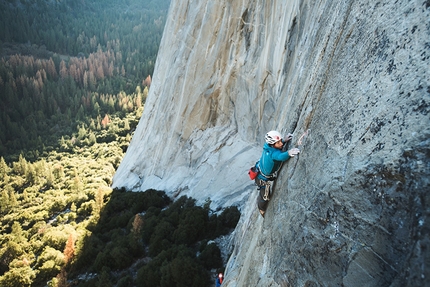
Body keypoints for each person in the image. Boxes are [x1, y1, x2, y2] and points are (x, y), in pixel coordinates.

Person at [255, 130, 300, 217]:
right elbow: (280, 156)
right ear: (273, 145)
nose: (281, 144)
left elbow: (275, 147)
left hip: (259, 169)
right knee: (265, 196)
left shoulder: (267, 146)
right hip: (263, 179)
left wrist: (283, 140)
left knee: (264, 194)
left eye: (280, 141)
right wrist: (288, 153)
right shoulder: (274, 154)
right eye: (278, 142)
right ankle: (261, 208)